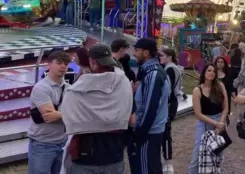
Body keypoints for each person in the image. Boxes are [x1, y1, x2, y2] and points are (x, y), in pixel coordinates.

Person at [60, 44, 133, 173]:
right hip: (114, 154)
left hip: (85, 156)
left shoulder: (76, 90)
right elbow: (132, 118)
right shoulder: (124, 84)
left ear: (92, 62)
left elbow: (67, 122)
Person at [129, 38, 171, 174]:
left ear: (146, 53)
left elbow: (150, 108)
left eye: (136, 50)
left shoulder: (153, 74)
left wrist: (139, 132)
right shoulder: (151, 71)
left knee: (146, 169)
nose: (133, 54)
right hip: (151, 131)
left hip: (149, 133)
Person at [27, 51, 71, 174]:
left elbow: (77, 112)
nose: (63, 66)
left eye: (66, 63)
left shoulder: (68, 87)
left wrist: (63, 114)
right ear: (49, 64)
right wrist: (71, 114)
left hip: (62, 141)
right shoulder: (41, 88)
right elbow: (50, 117)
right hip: (42, 144)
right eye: (59, 63)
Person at [189, 64, 229, 174]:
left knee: (217, 154)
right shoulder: (197, 90)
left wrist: (220, 123)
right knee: (198, 154)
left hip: (220, 120)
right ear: (204, 73)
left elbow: (226, 107)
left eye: (214, 71)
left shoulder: (220, 86)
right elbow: (198, 113)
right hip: (204, 123)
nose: (211, 73)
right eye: (209, 70)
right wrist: (215, 123)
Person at [160, 47, 182, 173]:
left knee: (166, 132)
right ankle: (166, 160)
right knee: (165, 131)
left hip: (169, 104)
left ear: (169, 57)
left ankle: (168, 161)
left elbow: (168, 89)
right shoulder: (173, 68)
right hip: (172, 102)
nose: (160, 57)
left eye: (162, 55)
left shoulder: (170, 69)